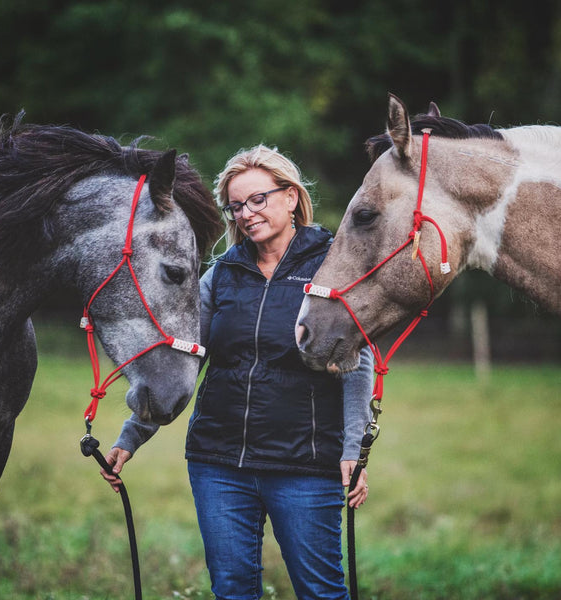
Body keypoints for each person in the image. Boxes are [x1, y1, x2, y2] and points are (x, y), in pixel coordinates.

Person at [102, 145, 374, 600]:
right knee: (232, 590)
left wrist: (354, 449)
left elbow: (356, 366)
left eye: (258, 199)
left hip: (305, 466)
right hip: (218, 463)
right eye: (236, 206)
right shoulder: (220, 275)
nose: (246, 214)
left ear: (291, 197)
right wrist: (131, 436)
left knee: (322, 592)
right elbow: (184, 360)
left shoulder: (333, 265)